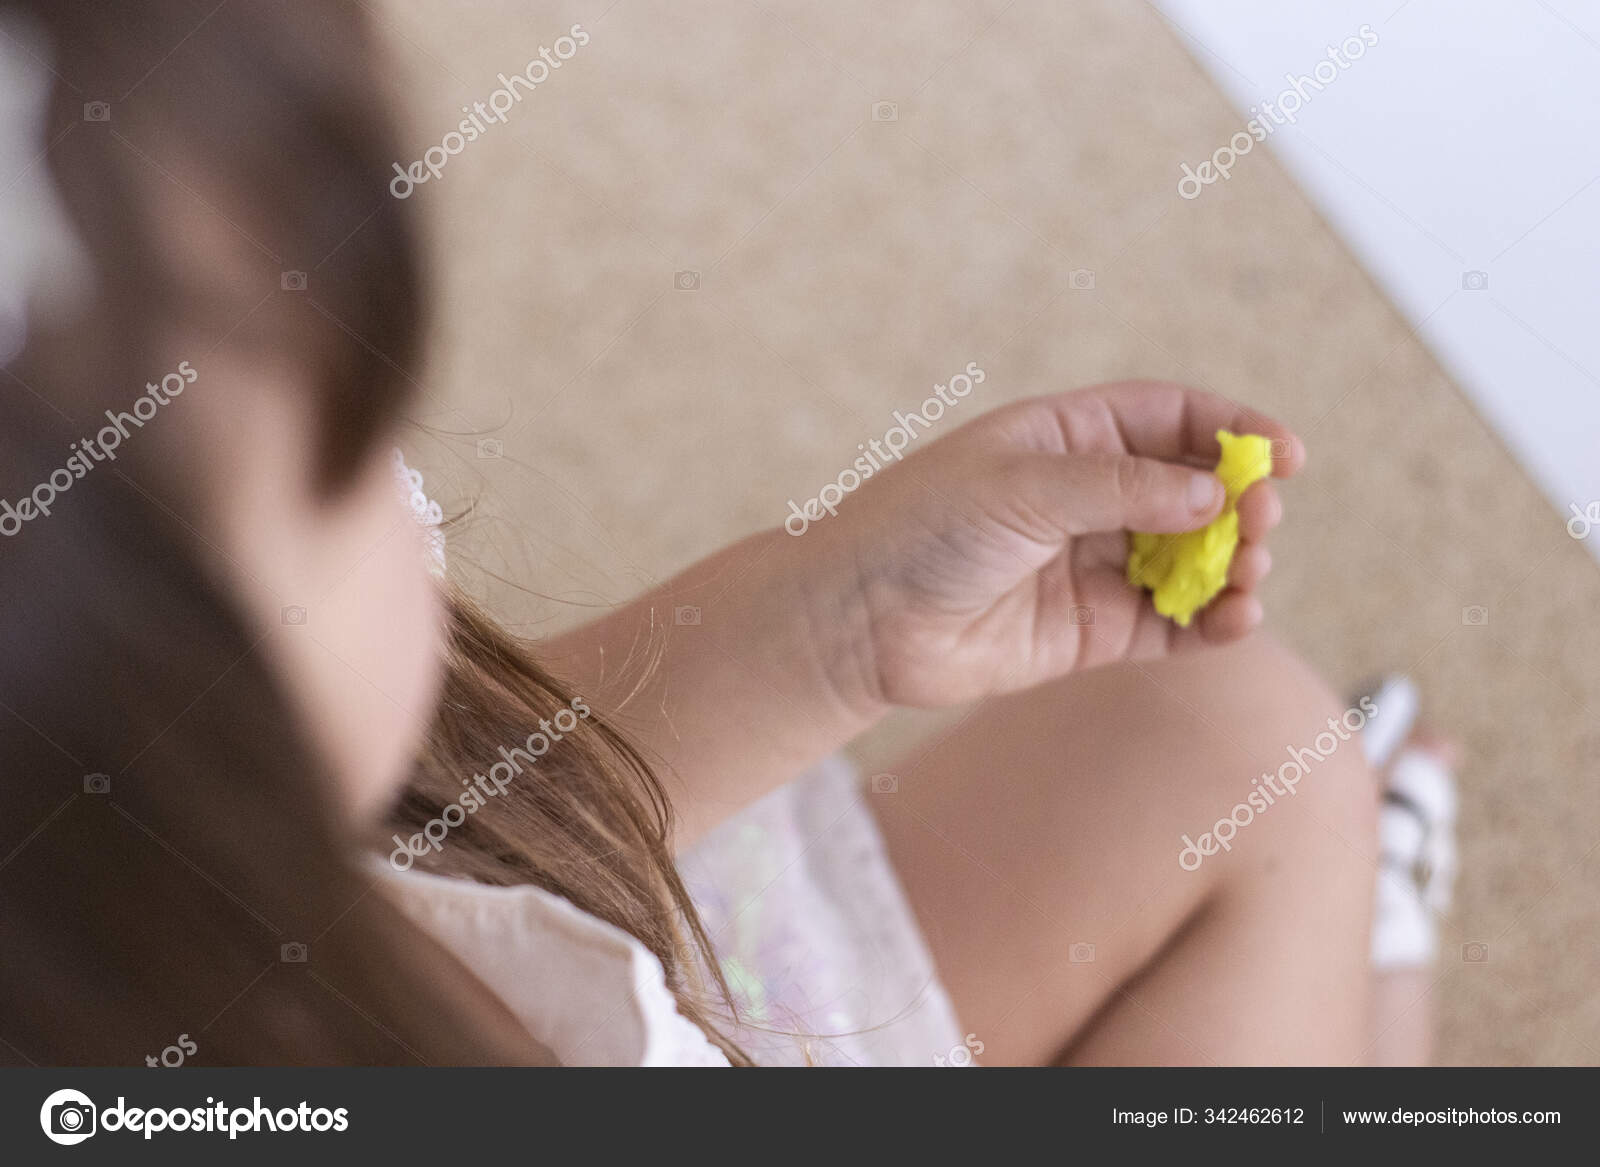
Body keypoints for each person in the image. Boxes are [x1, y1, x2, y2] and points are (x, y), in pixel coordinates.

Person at [0, 0, 1454, 1067]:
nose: (412, 506)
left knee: (1236, 735)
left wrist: (842, 626)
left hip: (648, 981)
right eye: (348, 475)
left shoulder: (140, 859)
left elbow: (463, 830)